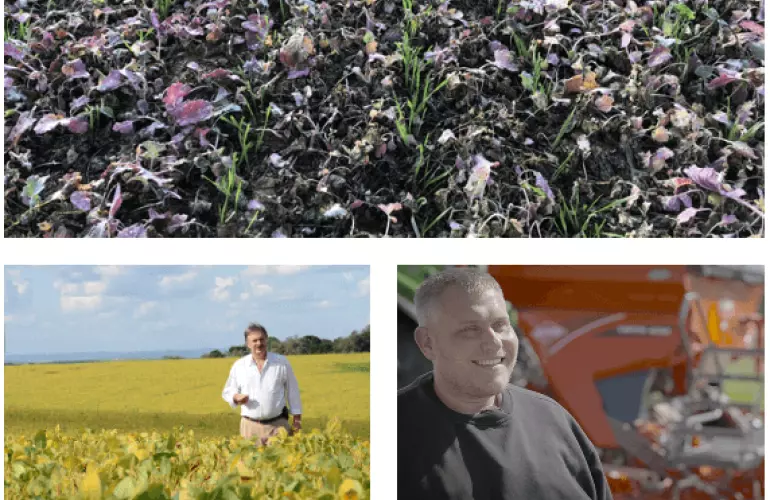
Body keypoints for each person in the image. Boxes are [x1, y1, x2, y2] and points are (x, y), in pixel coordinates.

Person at [398, 268, 613, 500]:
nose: (494, 342)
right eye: (470, 330)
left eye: (500, 325)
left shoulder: (553, 419)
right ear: (427, 343)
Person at [222, 323, 302, 444]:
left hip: (278, 426)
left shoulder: (281, 362)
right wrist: (236, 397)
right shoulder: (239, 366)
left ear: (266, 340)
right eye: (254, 340)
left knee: (281, 456)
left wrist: (297, 420)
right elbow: (228, 391)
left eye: (261, 339)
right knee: (249, 456)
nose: (259, 343)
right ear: (248, 344)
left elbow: (293, 391)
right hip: (250, 427)